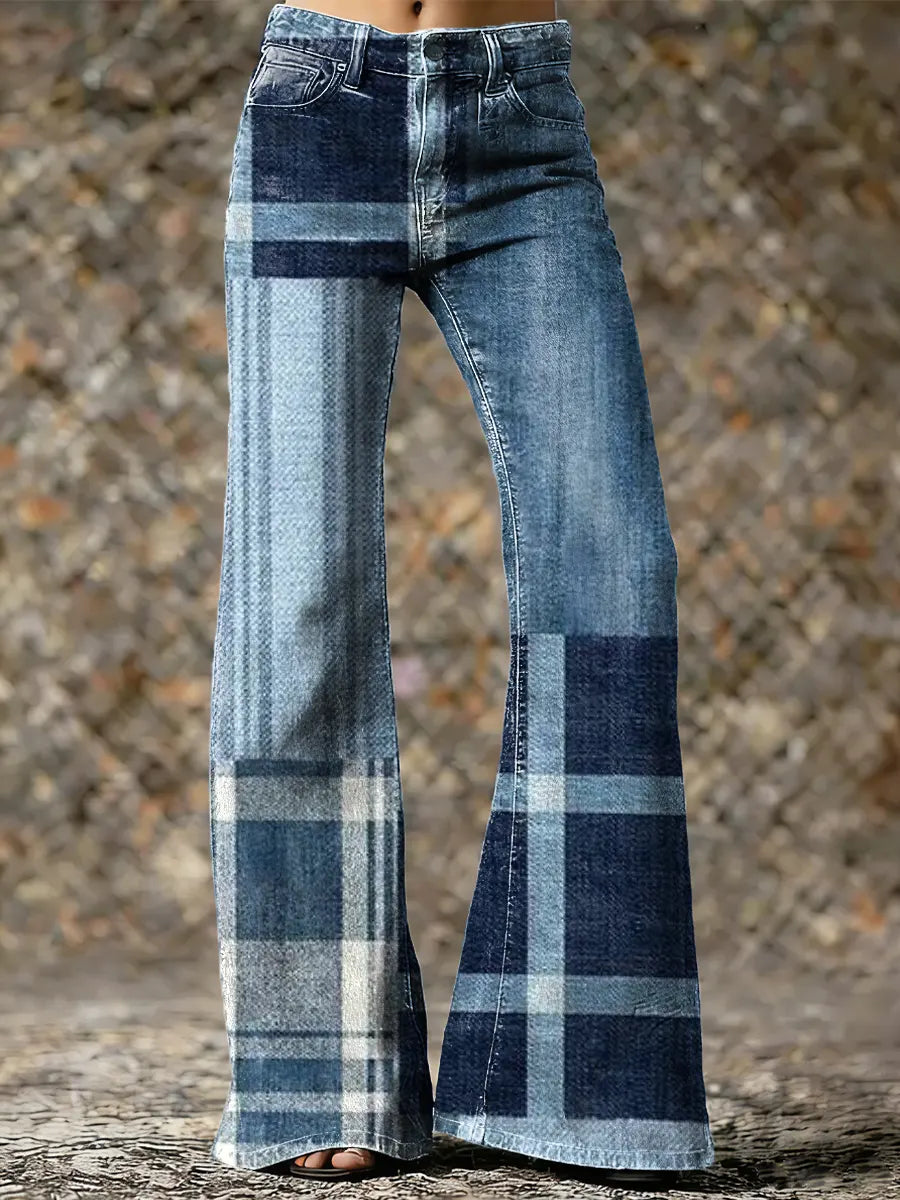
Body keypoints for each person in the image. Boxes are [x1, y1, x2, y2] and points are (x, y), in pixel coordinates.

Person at [207, 0, 715, 1183]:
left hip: (521, 118)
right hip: (319, 106)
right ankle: (320, 1076)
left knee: (616, 565)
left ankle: (582, 1086)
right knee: (297, 590)